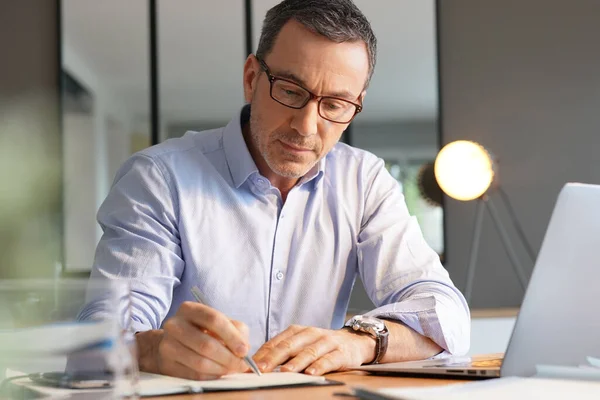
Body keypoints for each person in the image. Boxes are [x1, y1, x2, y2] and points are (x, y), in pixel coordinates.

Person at [85, 0, 470, 381]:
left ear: (356, 104)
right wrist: (153, 349)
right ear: (252, 78)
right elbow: (97, 341)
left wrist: (363, 341)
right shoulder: (158, 178)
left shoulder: (364, 180)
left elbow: (446, 313)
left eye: (334, 105)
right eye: (290, 90)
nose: (306, 126)